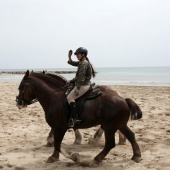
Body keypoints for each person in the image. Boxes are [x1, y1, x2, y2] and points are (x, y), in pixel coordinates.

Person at [67, 47, 96, 127]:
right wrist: (69, 57)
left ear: (83, 55)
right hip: (82, 83)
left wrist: (77, 88)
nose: (77, 56)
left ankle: (75, 118)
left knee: (70, 98)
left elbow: (81, 77)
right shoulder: (81, 62)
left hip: (83, 85)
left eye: (78, 54)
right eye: (76, 54)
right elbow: (72, 63)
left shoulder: (84, 63)